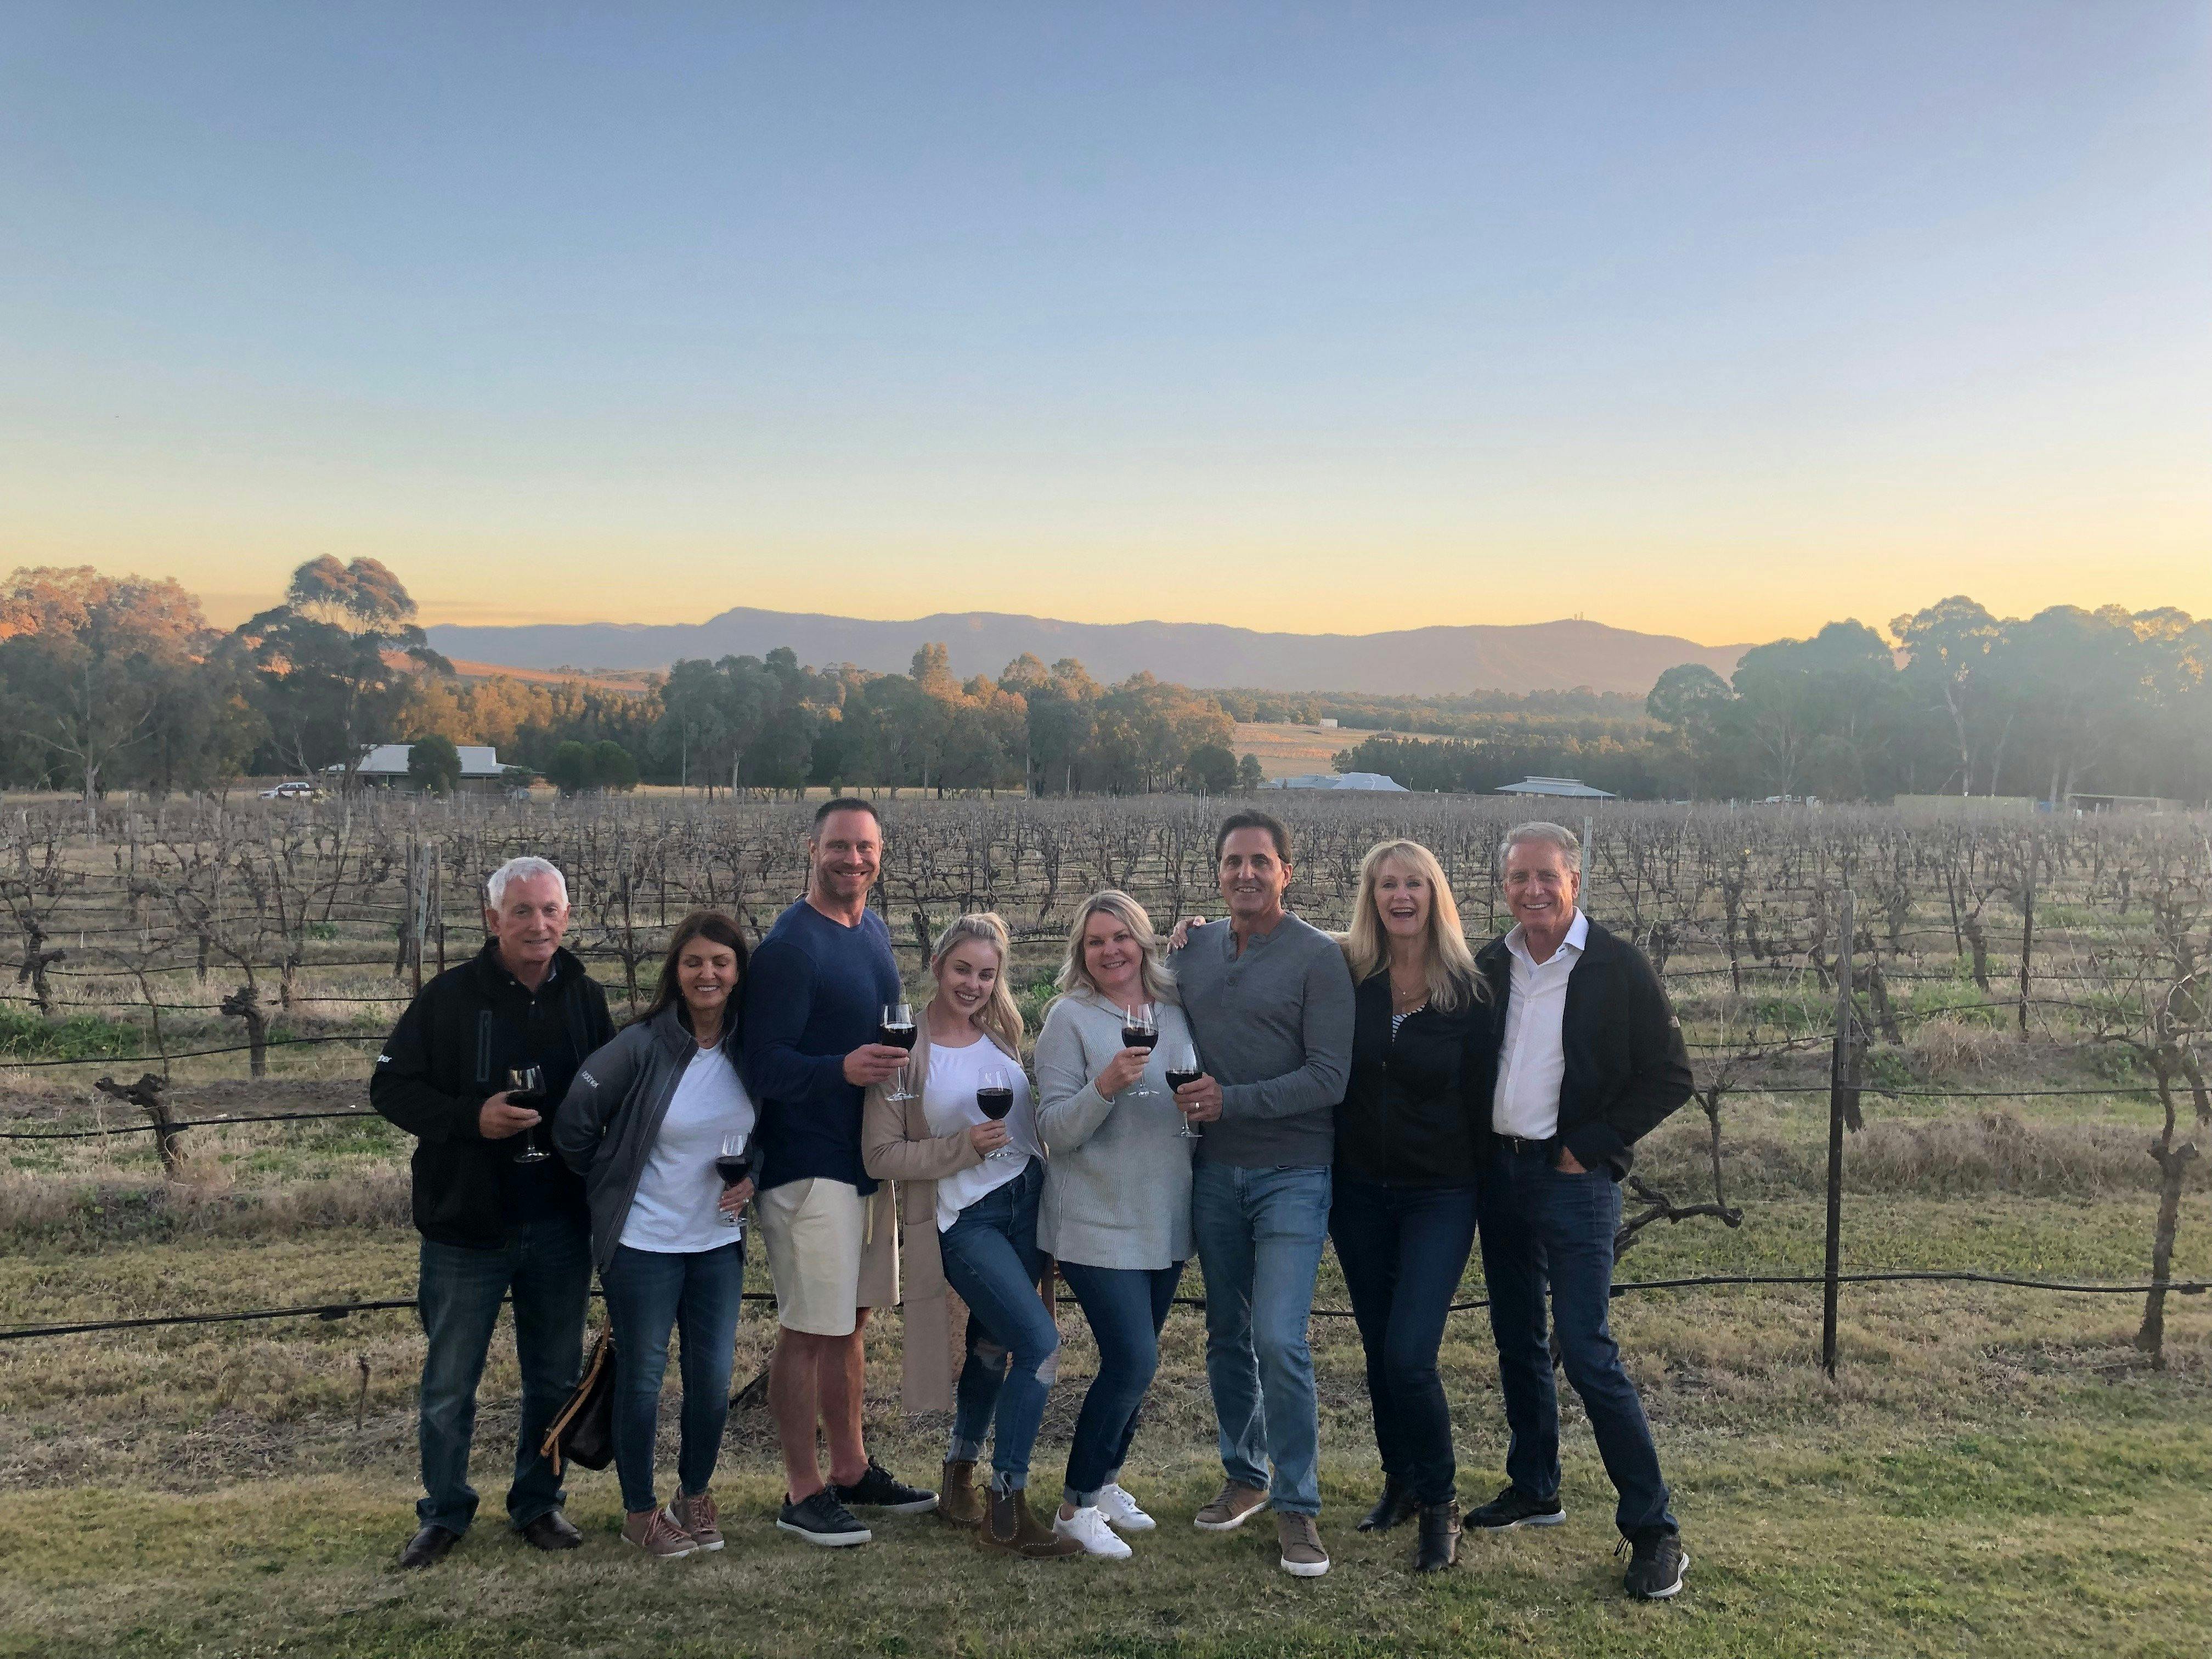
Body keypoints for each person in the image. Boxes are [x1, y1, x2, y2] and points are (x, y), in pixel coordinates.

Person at [1468, 821, 1694, 1600]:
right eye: (1519, 878)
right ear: (1505, 886)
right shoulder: (1489, 965)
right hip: (1499, 1176)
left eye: (1547, 877)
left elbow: (1671, 1076)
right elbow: (1385, 954)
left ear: (1575, 880)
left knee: (1587, 1348)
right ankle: (1536, 1488)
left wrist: (1589, 1145)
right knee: (1517, 1340)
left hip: (1573, 1182)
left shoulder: (1617, 965)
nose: (1533, 891)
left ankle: (1655, 1530)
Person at [371, 855, 613, 1568]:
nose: (537, 925)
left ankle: (539, 1504)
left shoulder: (586, 998)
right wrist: (468, 1117)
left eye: (549, 911)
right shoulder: (447, 998)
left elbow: (607, 1093)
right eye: (521, 912)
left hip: (560, 1224)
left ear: (566, 917)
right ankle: (443, 1511)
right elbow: (389, 1091)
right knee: (450, 1382)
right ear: (492, 919)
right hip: (465, 1226)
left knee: (553, 1376)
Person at [741, 797, 935, 1547]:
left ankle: (850, 1469)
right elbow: (762, 1063)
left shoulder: (872, 929)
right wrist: (842, 1069)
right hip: (807, 1166)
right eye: (839, 846)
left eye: (866, 847)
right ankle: (801, 1490)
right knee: (808, 1330)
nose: (854, 859)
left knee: (850, 1322)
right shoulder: (792, 946)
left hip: (864, 1161)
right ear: (812, 850)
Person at [1169, 810, 1356, 1578]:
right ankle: (1245, 1476)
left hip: (1293, 1175)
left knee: (1280, 1338)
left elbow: (1328, 1078)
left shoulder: (1319, 959)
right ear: (1217, 873)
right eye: (1232, 862)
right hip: (1213, 1174)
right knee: (1224, 1333)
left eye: (1260, 862)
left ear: (1287, 871)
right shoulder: (1194, 948)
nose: (1246, 873)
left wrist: (1230, 1102)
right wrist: (1172, 936)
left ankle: (1299, 1508)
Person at [861, 913, 1079, 1560]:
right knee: (1038, 1346)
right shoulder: (905, 1049)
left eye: (987, 973)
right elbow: (880, 1155)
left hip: (1026, 1205)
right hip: (965, 1222)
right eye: (963, 970)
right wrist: (960, 1148)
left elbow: (1027, 1133)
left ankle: (958, 1473)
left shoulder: (1003, 1030)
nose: (974, 984)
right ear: (937, 967)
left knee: (991, 1347)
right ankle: (1006, 1509)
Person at [552, 912, 759, 1560]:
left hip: (717, 1243)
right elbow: (574, 1124)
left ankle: (692, 1495)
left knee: (712, 1378)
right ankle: (639, 1511)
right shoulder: (641, 1046)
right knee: (642, 1381)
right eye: (695, 962)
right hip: (644, 1244)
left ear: (737, 973)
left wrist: (755, 1175)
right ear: (676, 969)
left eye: (721, 963)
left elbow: (770, 1130)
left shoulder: (749, 1047)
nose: (708, 974)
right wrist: (615, 1181)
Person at [1328, 839, 1489, 1573]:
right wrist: (1196, 931)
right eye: (1388, 885)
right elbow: (1278, 934)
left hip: (1440, 1195)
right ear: (1372, 896)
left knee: (1409, 1353)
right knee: (1375, 1347)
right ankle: (1399, 1481)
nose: (1401, 897)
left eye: (1414, 884)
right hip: (1358, 1193)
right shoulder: (1349, 975)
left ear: (1434, 895)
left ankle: (1441, 1501)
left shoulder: (1470, 988)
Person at [1034, 890, 1197, 1562]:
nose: (1111, 951)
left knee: (1137, 1364)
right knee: (1133, 1360)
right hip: (1094, 1218)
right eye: (1096, 941)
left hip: (1165, 1214)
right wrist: (1104, 1086)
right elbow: (1053, 1131)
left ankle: (1103, 1485)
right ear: (1082, 951)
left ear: (1144, 941)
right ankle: (1074, 1507)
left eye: (1121, 936)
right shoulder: (1067, 1020)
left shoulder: (1177, 1008)